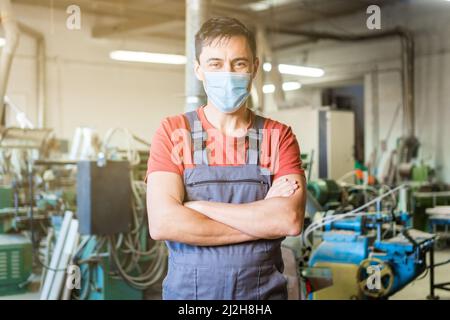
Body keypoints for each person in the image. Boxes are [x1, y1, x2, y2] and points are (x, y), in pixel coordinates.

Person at [146, 16, 306, 300]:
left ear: (254, 67)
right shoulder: (173, 131)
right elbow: (163, 223)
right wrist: (261, 219)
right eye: (215, 64)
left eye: (239, 64)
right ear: (198, 70)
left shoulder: (278, 136)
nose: (228, 74)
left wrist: (199, 207)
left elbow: (288, 220)